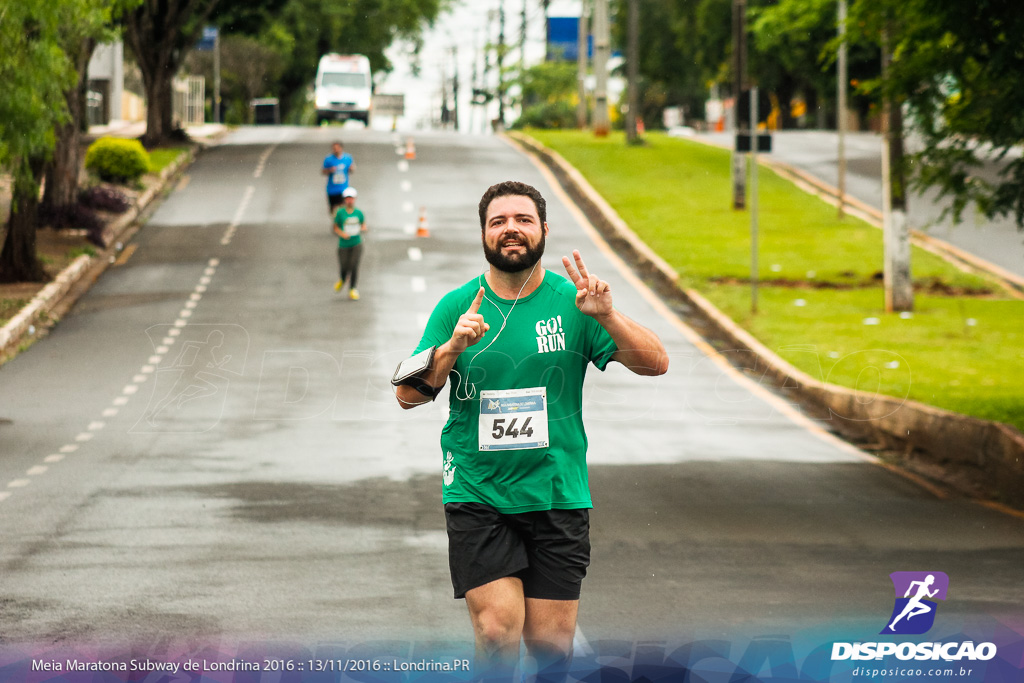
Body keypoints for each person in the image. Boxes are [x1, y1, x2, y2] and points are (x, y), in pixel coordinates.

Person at [394, 181, 668, 679]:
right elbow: (407, 394)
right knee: (498, 632)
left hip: (558, 493)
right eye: (498, 222)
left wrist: (608, 316)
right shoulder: (457, 307)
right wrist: (451, 349)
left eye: (522, 219)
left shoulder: (576, 302)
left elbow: (656, 363)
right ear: (483, 234)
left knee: (549, 646)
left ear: (544, 229)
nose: (511, 230)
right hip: (480, 491)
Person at [333, 187, 365, 300]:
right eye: (347, 198)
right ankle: (342, 279)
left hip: (356, 243)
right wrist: (342, 234)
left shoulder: (359, 213)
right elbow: (335, 227)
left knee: (354, 265)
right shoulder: (340, 213)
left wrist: (363, 228)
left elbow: (363, 224)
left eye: (351, 198)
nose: (349, 200)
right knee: (344, 266)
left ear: (354, 199)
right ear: (344, 200)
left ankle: (353, 288)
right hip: (343, 245)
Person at [322, 141, 355, 216]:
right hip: (332, 189)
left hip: (343, 189)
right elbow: (323, 171)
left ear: (341, 148)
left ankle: (341, 225)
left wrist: (351, 169)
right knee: (333, 211)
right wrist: (330, 170)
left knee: (343, 209)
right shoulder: (328, 159)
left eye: (337, 148)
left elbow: (352, 169)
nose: (335, 150)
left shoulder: (347, 158)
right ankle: (336, 224)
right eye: (334, 148)